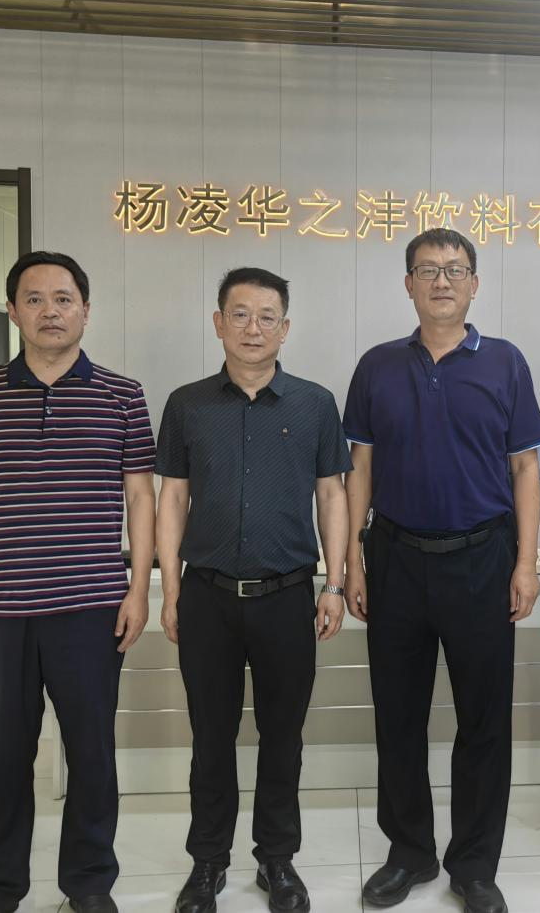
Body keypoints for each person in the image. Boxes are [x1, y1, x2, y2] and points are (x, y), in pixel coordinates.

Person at [0, 251, 156, 913]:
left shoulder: (122, 395)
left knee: (91, 753)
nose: (50, 311)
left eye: (63, 299)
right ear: (13, 312)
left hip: (91, 607)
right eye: (34, 299)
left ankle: (89, 884)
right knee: (6, 753)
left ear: (85, 310)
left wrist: (138, 590)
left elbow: (140, 498)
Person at [343, 228, 540, 913]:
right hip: (395, 558)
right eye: (427, 270)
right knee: (398, 716)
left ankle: (475, 865)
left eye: (455, 270)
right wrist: (352, 561)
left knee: (483, 719)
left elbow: (526, 468)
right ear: (408, 284)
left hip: (483, 559)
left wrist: (527, 563)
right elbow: (360, 467)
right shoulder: (377, 366)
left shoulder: (505, 363)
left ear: (474, 284)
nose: (441, 281)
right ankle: (409, 852)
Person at [155, 267, 351, 913]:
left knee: (282, 736)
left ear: (285, 329)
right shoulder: (187, 405)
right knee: (210, 738)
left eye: (267, 317)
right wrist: (169, 590)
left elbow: (333, 496)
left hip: (287, 596)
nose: (253, 328)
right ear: (218, 323)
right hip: (207, 595)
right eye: (239, 315)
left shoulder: (315, 404)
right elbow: (172, 498)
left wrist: (334, 584)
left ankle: (277, 859)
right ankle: (208, 862)